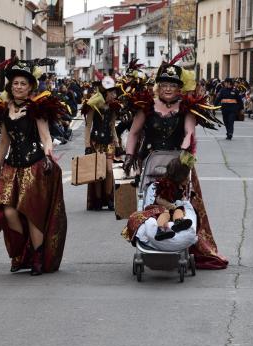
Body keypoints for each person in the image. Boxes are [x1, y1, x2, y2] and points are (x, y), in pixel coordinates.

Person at [123, 57, 228, 269]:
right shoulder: (146, 106)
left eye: (172, 85)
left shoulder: (186, 108)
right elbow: (133, 133)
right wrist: (128, 156)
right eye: (164, 85)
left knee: (184, 201)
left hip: (178, 165)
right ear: (158, 87)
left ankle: (184, 238)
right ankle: (156, 234)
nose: (168, 89)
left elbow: (189, 132)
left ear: (179, 89)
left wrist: (184, 153)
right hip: (151, 163)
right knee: (152, 200)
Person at [0, 57, 67, 276]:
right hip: (11, 168)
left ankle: (37, 257)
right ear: (10, 86)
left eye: (23, 83)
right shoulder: (4, 109)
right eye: (15, 83)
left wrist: (49, 153)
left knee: (31, 213)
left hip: (34, 166)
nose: (18, 87)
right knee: (8, 211)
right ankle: (22, 252)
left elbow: (46, 136)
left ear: (30, 87)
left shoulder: (36, 108)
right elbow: (3, 142)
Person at [83, 76, 121, 210]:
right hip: (96, 142)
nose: (115, 95)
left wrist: (117, 144)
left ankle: (109, 198)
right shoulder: (93, 105)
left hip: (109, 141)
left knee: (109, 170)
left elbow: (112, 127)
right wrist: (87, 145)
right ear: (105, 93)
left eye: (115, 92)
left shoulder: (114, 107)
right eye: (112, 92)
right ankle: (98, 200)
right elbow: (88, 126)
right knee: (98, 172)